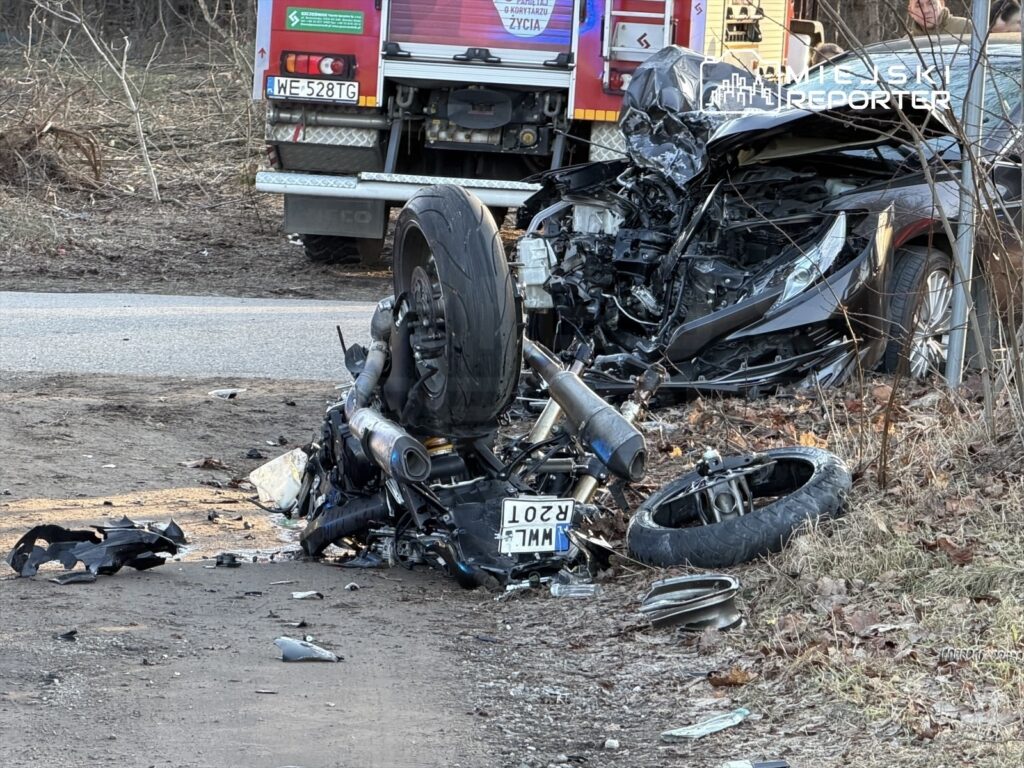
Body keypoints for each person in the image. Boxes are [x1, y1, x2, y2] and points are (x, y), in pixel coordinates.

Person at [908, 0, 1021, 36]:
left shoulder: (969, 29)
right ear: (911, 11)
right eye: (919, 6)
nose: (926, 10)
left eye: (931, 3)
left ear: (942, 4)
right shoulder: (905, 45)